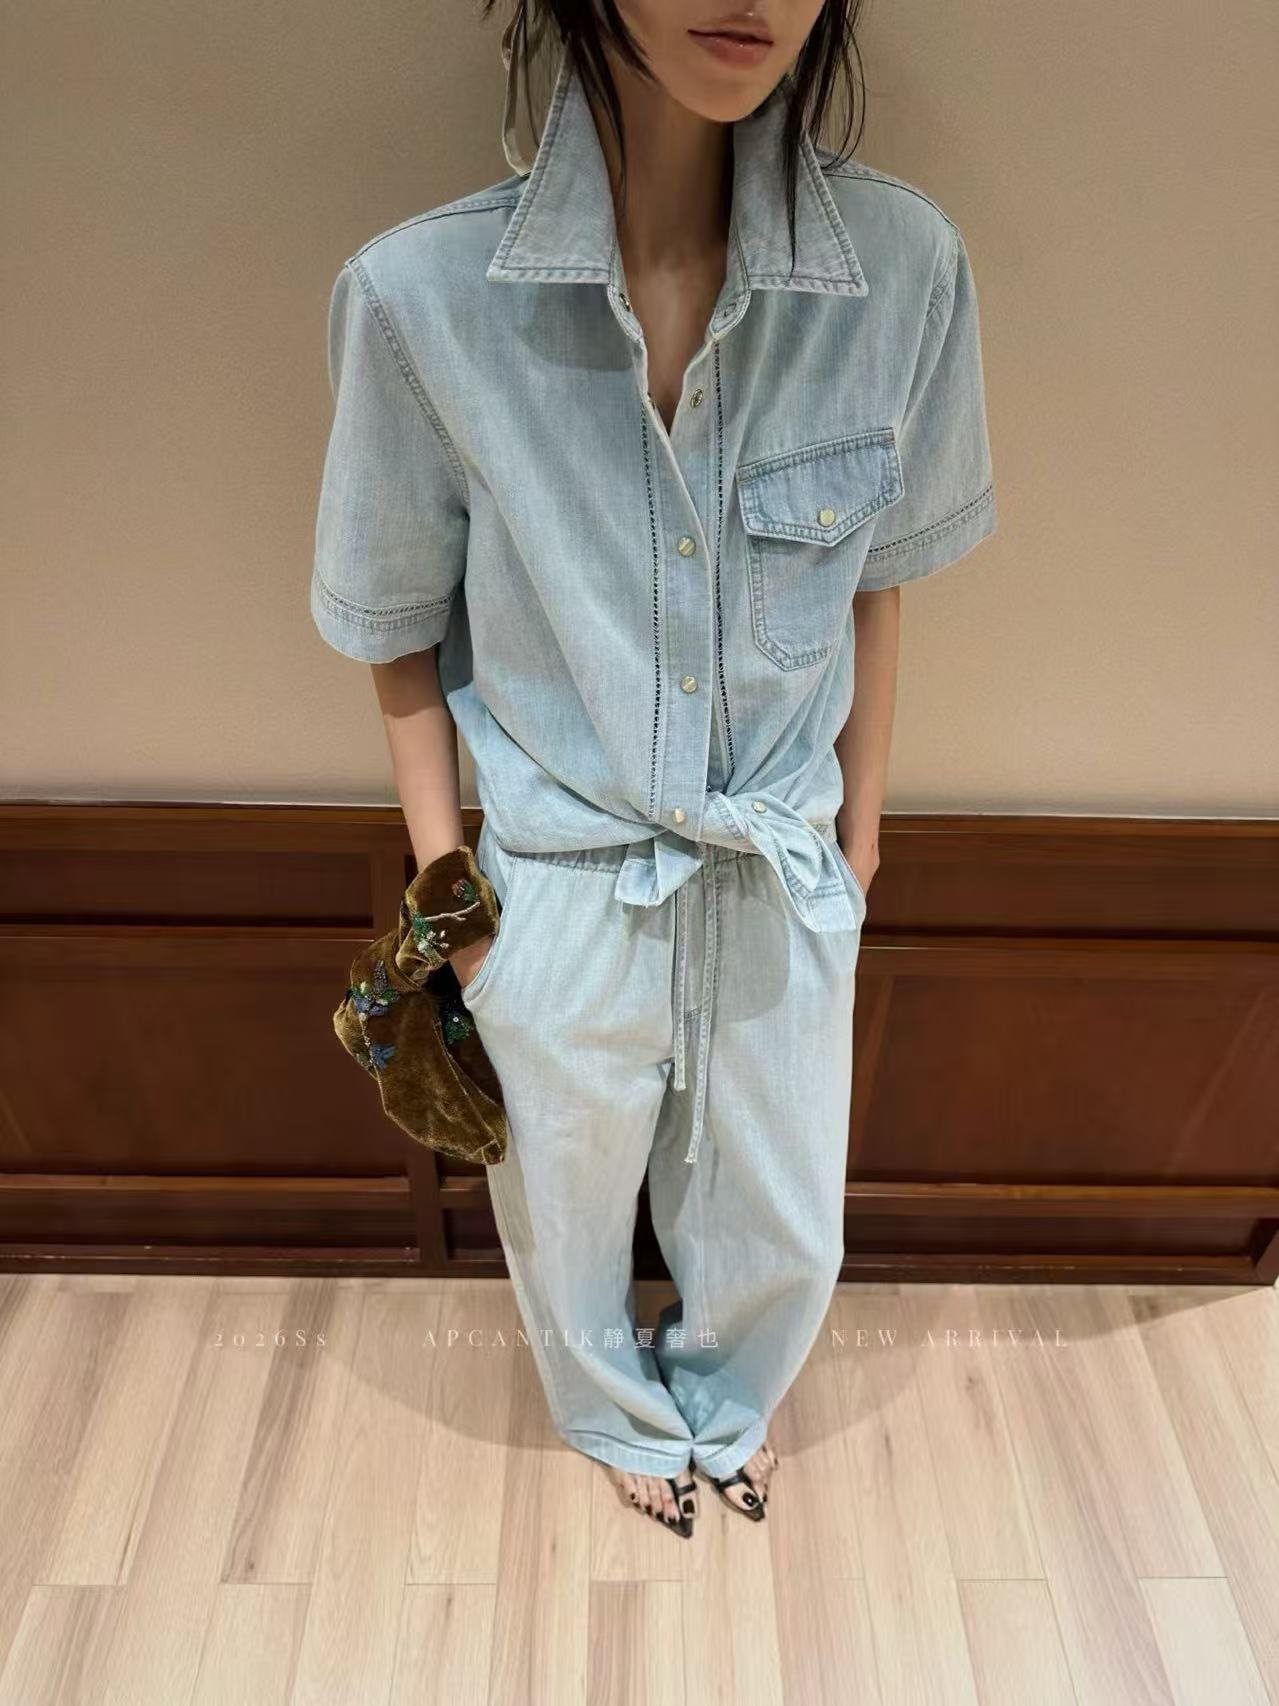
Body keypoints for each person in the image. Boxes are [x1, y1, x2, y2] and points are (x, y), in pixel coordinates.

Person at [310, 0, 996, 1539]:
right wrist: (457, 909)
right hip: (556, 880)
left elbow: (879, 577)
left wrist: (860, 845)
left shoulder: (909, 272)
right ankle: (610, 1410)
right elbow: (395, 628)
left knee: (780, 1216)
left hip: (779, 861)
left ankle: (732, 1400)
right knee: (560, 1202)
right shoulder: (418, 300)